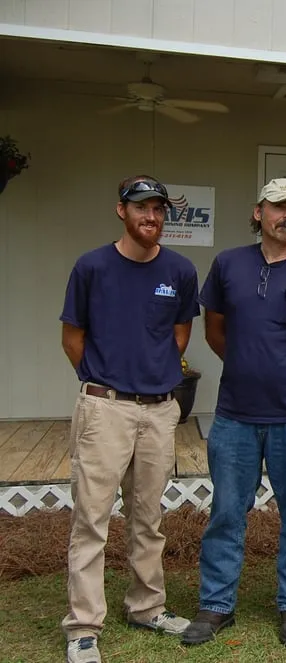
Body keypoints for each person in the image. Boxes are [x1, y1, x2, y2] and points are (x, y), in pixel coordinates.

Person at [182, 178, 286, 648]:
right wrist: (247, 363)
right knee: (227, 514)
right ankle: (216, 605)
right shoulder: (229, 264)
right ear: (259, 213)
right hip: (235, 416)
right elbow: (214, 328)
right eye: (279, 207)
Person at [59, 175, 199, 663]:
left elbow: (178, 335)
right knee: (91, 521)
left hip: (159, 411)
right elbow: (72, 336)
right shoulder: (92, 266)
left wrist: (151, 376)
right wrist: (104, 383)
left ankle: (147, 606)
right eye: (142, 208)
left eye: (159, 209)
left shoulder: (180, 271)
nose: (152, 217)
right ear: (121, 211)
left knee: (148, 517)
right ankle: (82, 627)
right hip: (105, 408)